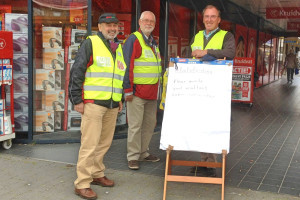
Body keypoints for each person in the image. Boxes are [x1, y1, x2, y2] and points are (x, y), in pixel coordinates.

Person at [69, 13, 127, 200]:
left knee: (104, 143)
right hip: (93, 103)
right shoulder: (91, 43)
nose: (112, 28)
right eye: (108, 25)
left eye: (115, 25)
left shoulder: (118, 47)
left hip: (111, 103)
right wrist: (77, 99)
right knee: (89, 144)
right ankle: (82, 183)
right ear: (100, 26)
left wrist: (119, 99)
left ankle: (96, 173)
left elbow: (118, 76)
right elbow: (77, 71)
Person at [190, 5, 235, 177]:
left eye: (213, 16)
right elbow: (192, 53)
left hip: (217, 88)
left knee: (214, 124)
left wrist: (206, 52)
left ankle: (211, 163)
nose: (209, 19)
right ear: (202, 19)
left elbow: (230, 53)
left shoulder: (226, 35)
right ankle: (204, 160)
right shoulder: (198, 35)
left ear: (219, 19)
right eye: (206, 16)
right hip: (199, 87)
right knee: (201, 123)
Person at [123, 11, 162, 170]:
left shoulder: (153, 42)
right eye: (145, 20)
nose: (149, 23)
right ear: (139, 22)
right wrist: (127, 90)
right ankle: (133, 156)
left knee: (149, 125)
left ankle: (143, 152)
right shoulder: (134, 39)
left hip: (152, 93)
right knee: (135, 125)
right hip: (136, 93)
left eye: (151, 21)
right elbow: (126, 65)